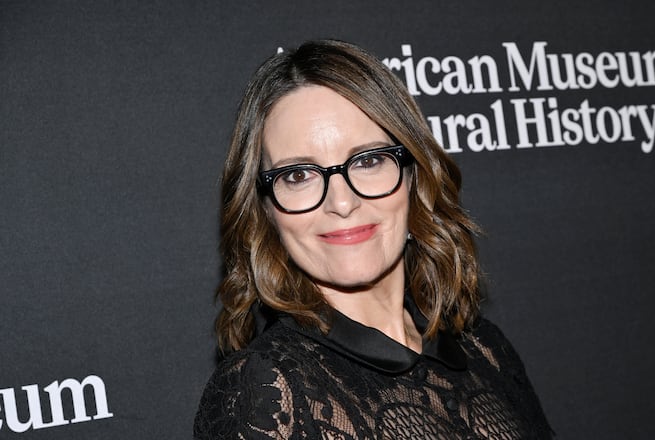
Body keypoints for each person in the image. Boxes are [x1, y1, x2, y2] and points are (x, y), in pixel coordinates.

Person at [194, 39, 553, 439]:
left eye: (368, 161)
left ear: (415, 175)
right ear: (264, 209)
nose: (342, 202)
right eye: (298, 174)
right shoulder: (265, 393)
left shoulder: (485, 349)